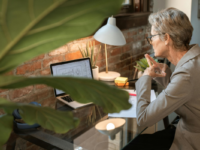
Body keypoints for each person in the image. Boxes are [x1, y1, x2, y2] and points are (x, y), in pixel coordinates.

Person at [130, 7, 200, 150]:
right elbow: (186, 96)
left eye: (152, 37)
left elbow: (143, 119)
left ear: (166, 38)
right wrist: (167, 74)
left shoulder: (186, 74)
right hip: (183, 129)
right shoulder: (194, 60)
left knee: (133, 145)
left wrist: (145, 77)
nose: (151, 42)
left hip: (190, 140)